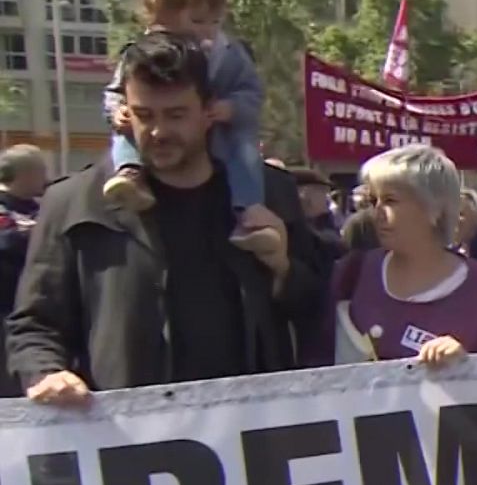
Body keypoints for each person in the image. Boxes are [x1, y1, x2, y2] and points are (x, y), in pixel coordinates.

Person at [7, 31, 325, 401]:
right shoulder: (73, 202)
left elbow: (317, 309)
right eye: (144, 115)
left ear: (209, 111)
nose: (158, 131)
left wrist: (284, 268)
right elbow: (35, 325)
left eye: (176, 115)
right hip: (132, 441)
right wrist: (47, 373)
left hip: (251, 439)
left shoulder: (267, 194)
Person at [102, 0, 278, 238]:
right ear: (159, 16)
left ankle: (248, 209)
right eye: (197, 21)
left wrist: (231, 108)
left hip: (221, 132)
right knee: (127, 131)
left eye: (215, 21)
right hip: (141, 152)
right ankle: (130, 176)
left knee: (244, 149)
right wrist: (117, 112)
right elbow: (114, 93)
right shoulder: (138, 54)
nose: (207, 30)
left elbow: (252, 93)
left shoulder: (227, 53)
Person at [328, 145, 477, 366]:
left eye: (390, 200)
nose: (376, 212)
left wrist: (466, 366)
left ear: (434, 208)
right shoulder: (354, 272)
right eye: (373, 201)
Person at [0, 144, 48, 397]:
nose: (46, 178)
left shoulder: (40, 208)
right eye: (41, 172)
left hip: (34, 310)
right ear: (25, 174)